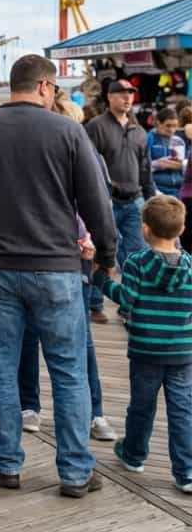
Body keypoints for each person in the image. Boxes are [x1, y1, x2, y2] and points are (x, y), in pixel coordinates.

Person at [0, 54, 117, 498]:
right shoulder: (68, 132)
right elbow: (96, 202)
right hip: (57, 269)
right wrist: (107, 253)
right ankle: (76, 471)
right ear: (44, 87)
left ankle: (5, 463)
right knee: (69, 371)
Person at [17, 90, 116, 443]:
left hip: (67, 255)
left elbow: (97, 204)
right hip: (57, 254)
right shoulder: (50, 150)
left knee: (69, 338)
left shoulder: (87, 155)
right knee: (64, 339)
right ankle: (82, 412)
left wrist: (95, 243)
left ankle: (83, 410)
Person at [93, 195, 192, 494]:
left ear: (145, 229)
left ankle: (135, 455)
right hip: (182, 352)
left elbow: (126, 299)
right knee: (182, 409)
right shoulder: (190, 266)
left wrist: (101, 280)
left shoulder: (136, 262)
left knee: (142, 405)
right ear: (182, 228)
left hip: (146, 349)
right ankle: (186, 472)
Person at [86, 79, 155, 321]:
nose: (127, 98)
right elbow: (89, 166)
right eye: (122, 94)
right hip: (107, 201)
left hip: (135, 199)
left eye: (130, 94)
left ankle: (129, 305)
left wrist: (150, 200)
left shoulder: (139, 131)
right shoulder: (96, 126)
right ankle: (95, 304)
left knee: (136, 255)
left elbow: (145, 169)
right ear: (109, 97)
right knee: (103, 251)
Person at [148, 107, 186, 198]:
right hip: (158, 189)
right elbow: (141, 168)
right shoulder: (149, 139)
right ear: (158, 123)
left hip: (179, 189)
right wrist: (158, 164)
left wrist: (182, 165)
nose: (172, 130)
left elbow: (185, 166)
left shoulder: (179, 141)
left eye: (175, 126)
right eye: (168, 125)